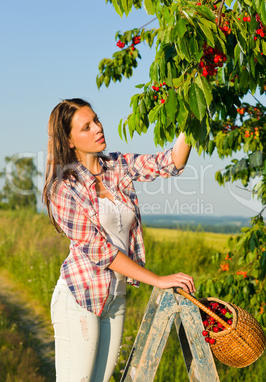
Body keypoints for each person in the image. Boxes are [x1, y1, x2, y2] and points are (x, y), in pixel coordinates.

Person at [43, 98, 195, 382]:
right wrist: (158, 279)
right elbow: (102, 252)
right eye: (86, 127)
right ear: (70, 141)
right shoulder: (63, 189)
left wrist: (193, 118)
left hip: (115, 299)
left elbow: (172, 161)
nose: (98, 128)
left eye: (96, 120)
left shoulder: (118, 165)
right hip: (80, 298)